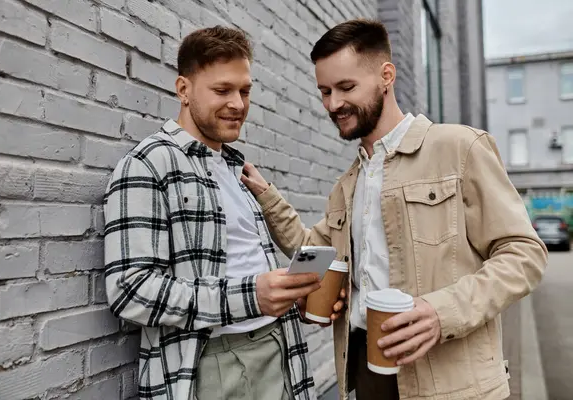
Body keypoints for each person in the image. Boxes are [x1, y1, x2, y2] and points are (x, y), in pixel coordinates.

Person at [241, 19, 548, 400]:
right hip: (368, 375)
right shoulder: (347, 185)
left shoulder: (459, 148)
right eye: (324, 91)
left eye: (346, 87)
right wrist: (266, 195)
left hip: (453, 384)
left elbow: (524, 254)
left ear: (386, 76)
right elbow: (312, 249)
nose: (333, 104)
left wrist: (441, 311)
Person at [103, 26, 330, 400]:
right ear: (183, 89)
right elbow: (131, 289)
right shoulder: (148, 165)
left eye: (245, 91)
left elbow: (243, 268)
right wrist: (251, 297)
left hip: (280, 345)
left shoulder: (237, 169)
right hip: (210, 362)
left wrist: (290, 297)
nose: (238, 104)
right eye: (222, 91)